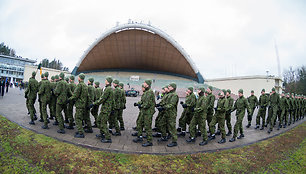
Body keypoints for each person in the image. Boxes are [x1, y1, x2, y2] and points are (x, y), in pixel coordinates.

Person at [133, 80, 156, 147]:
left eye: (144, 83)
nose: (143, 84)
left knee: (147, 126)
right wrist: (138, 104)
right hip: (144, 112)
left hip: (148, 112)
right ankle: (139, 137)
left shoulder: (149, 92)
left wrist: (141, 106)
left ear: (147, 85)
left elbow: (147, 104)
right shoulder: (146, 92)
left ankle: (149, 141)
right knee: (139, 123)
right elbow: (143, 101)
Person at [92, 76, 114, 143]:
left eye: (106, 80)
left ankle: (108, 138)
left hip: (106, 109)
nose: (105, 81)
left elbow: (102, 99)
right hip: (104, 108)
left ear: (108, 81)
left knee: (103, 123)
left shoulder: (108, 89)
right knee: (99, 121)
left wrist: (94, 104)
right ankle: (102, 133)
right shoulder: (108, 88)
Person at [157, 83, 179, 147]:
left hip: (171, 114)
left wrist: (163, 107)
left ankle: (174, 141)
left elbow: (171, 105)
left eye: (170, 86)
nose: (168, 87)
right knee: (161, 124)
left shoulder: (174, 95)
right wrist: (159, 105)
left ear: (173, 88)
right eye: (168, 86)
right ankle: (164, 137)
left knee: (172, 128)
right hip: (166, 113)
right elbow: (164, 102)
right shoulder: (169, 94)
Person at [68, 73, 88, 138]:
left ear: (79, 78)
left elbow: (75, 95)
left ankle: (81, 133)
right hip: (83, 104)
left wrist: (69, 99)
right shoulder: (85, 85)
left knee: (77, 118)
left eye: (78, 77)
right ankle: (80, 130)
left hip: (79, 104)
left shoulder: (79, 85)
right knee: (80, 117)